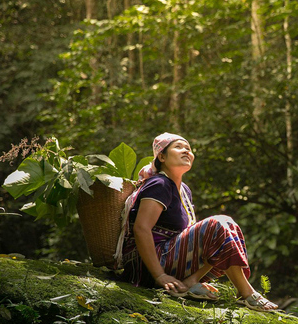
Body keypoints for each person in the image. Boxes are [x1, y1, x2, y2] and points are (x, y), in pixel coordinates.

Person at [115, 132, 278, 310]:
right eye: (179, 147)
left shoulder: (184, 190)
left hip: (170, 260)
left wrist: (194, 279)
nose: (186, 151)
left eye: (189, 149)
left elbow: (210, 243)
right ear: (161, 156)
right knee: (219, 223)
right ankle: (247, 293)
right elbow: (141, 229)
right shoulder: (159, 184)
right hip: (145, 267)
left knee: (228, 228)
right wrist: (159, 276)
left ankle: (191, 282)